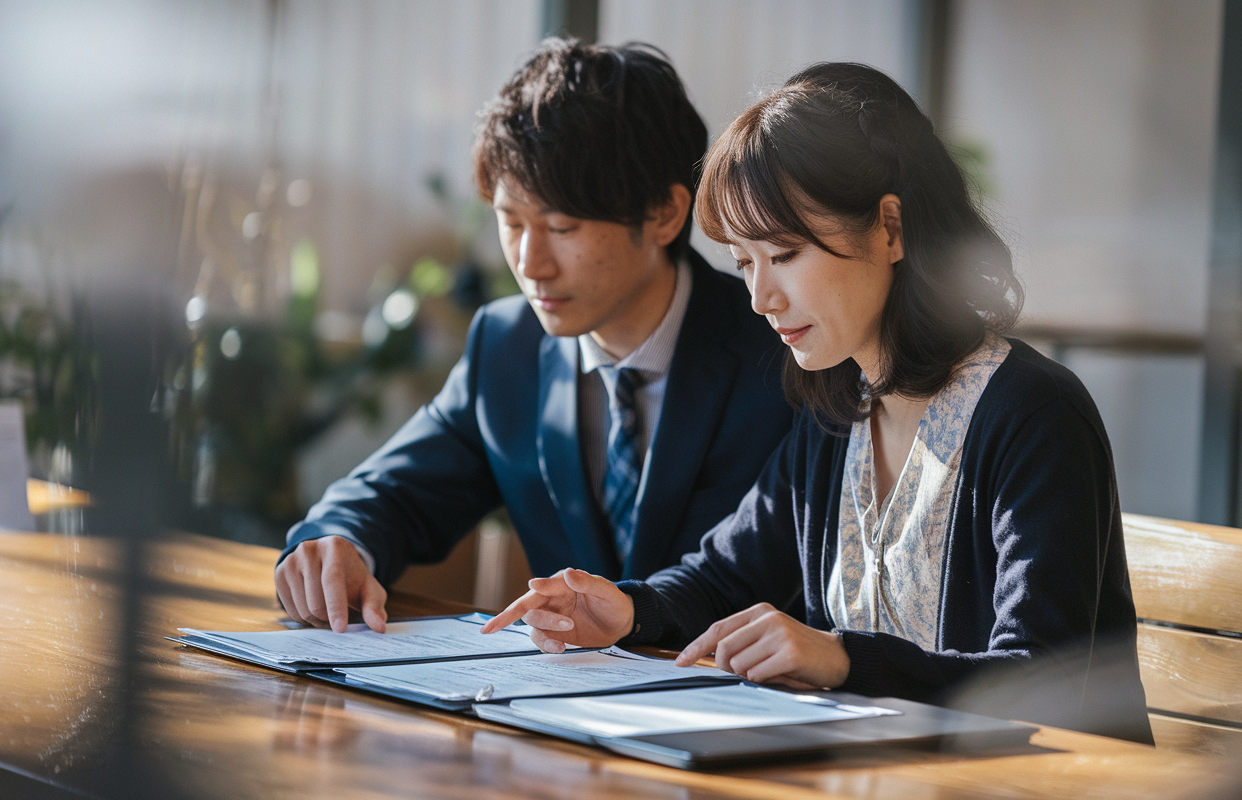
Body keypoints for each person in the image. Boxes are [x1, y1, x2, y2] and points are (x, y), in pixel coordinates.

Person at [483, 61, 1153, 743]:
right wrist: (625, 609)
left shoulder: (1032, 413)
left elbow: (1042, 678)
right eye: (745, 262)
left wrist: (840, 658)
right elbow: (724, 574)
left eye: (786, 253)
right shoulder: (839, 410)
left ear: (890, 229)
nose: (760, 299)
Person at [274, 39, 792, 634]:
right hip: (550, 705)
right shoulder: (506, 345)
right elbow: (397, 491)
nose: (530, 262)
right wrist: (338, 542)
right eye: (510, 221)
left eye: (562, 226)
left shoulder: (781, 352)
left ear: (665, 215)